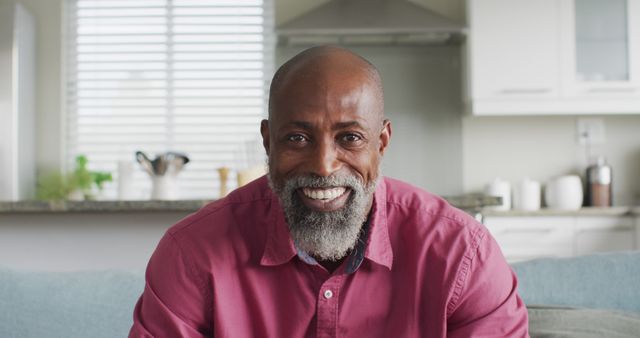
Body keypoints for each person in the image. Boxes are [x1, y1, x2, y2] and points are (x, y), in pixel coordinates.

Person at [129, 46, 529, 337]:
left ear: (382, 142)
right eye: (298, 138)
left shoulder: (463, 253)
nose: (323, 165)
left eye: (350, 137)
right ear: (268, 142)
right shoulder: (192, 252)